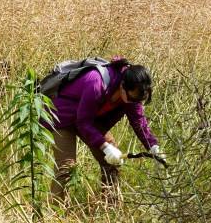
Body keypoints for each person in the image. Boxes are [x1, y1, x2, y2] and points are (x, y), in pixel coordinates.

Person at [47, 57, 162, 201]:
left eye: (137, 101)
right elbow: (83, 122)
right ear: (122, 85)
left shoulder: (134, 90)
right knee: (66, 166)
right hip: (62, 117)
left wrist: (153, 146)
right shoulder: (96, 82)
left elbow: (138, 120)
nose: (134, 103)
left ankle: (110, 206)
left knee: (112, 161)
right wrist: (104, 146)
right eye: (132, 99)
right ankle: (55, 210)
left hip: (87, 118)